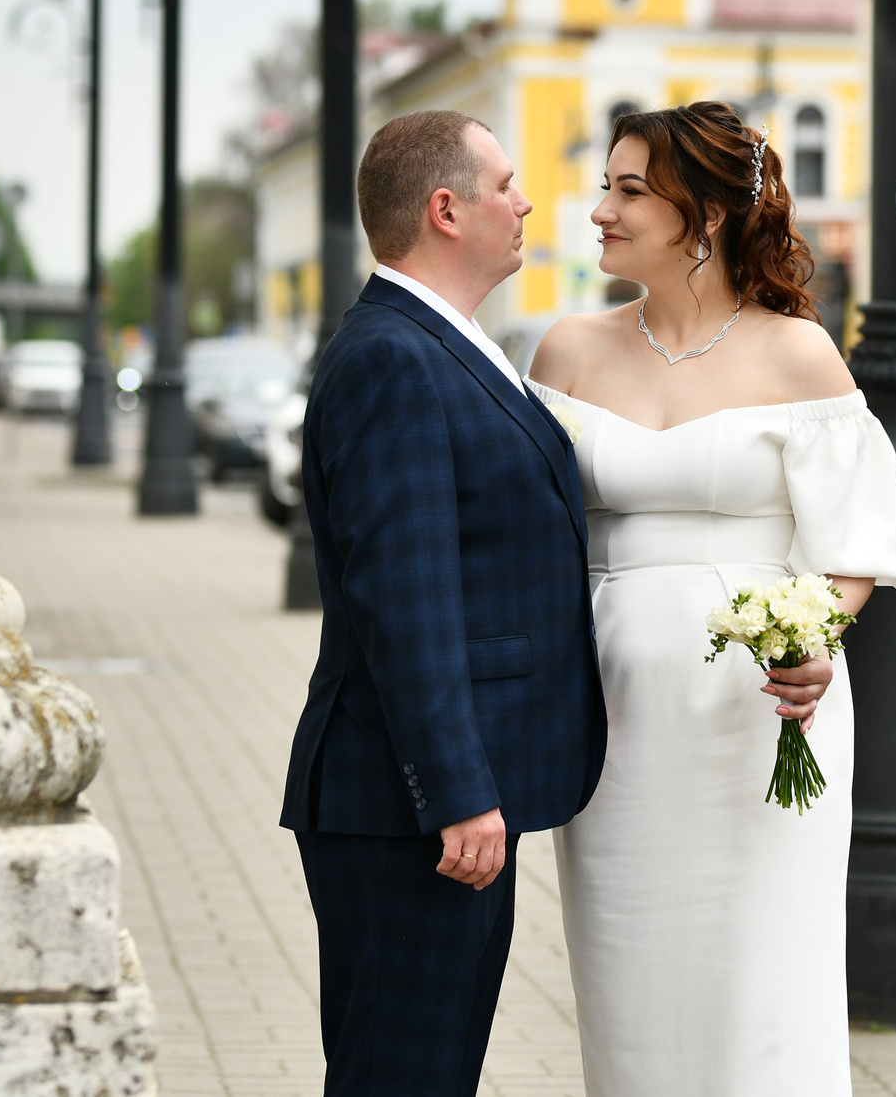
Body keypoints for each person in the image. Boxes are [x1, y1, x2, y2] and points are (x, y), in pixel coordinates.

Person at [528, 99, 896, 1097]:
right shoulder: (566, 352)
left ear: (700, 214)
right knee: (629, 979)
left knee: (763, 983)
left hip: (756, 714)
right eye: (604, 186)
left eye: (628, 191)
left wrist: (815, 639)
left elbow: (855, 544)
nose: (600, 210)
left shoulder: (797, 353)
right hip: (611, 714)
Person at [281, 109, 610, 1097]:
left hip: (436, 801)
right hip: (409, 807)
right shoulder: (394, 356)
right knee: (401, 1077)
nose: (526, 202)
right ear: (445, 209)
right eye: (505, 183)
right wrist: (458, 790)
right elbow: (405, 594)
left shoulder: (442, 341)